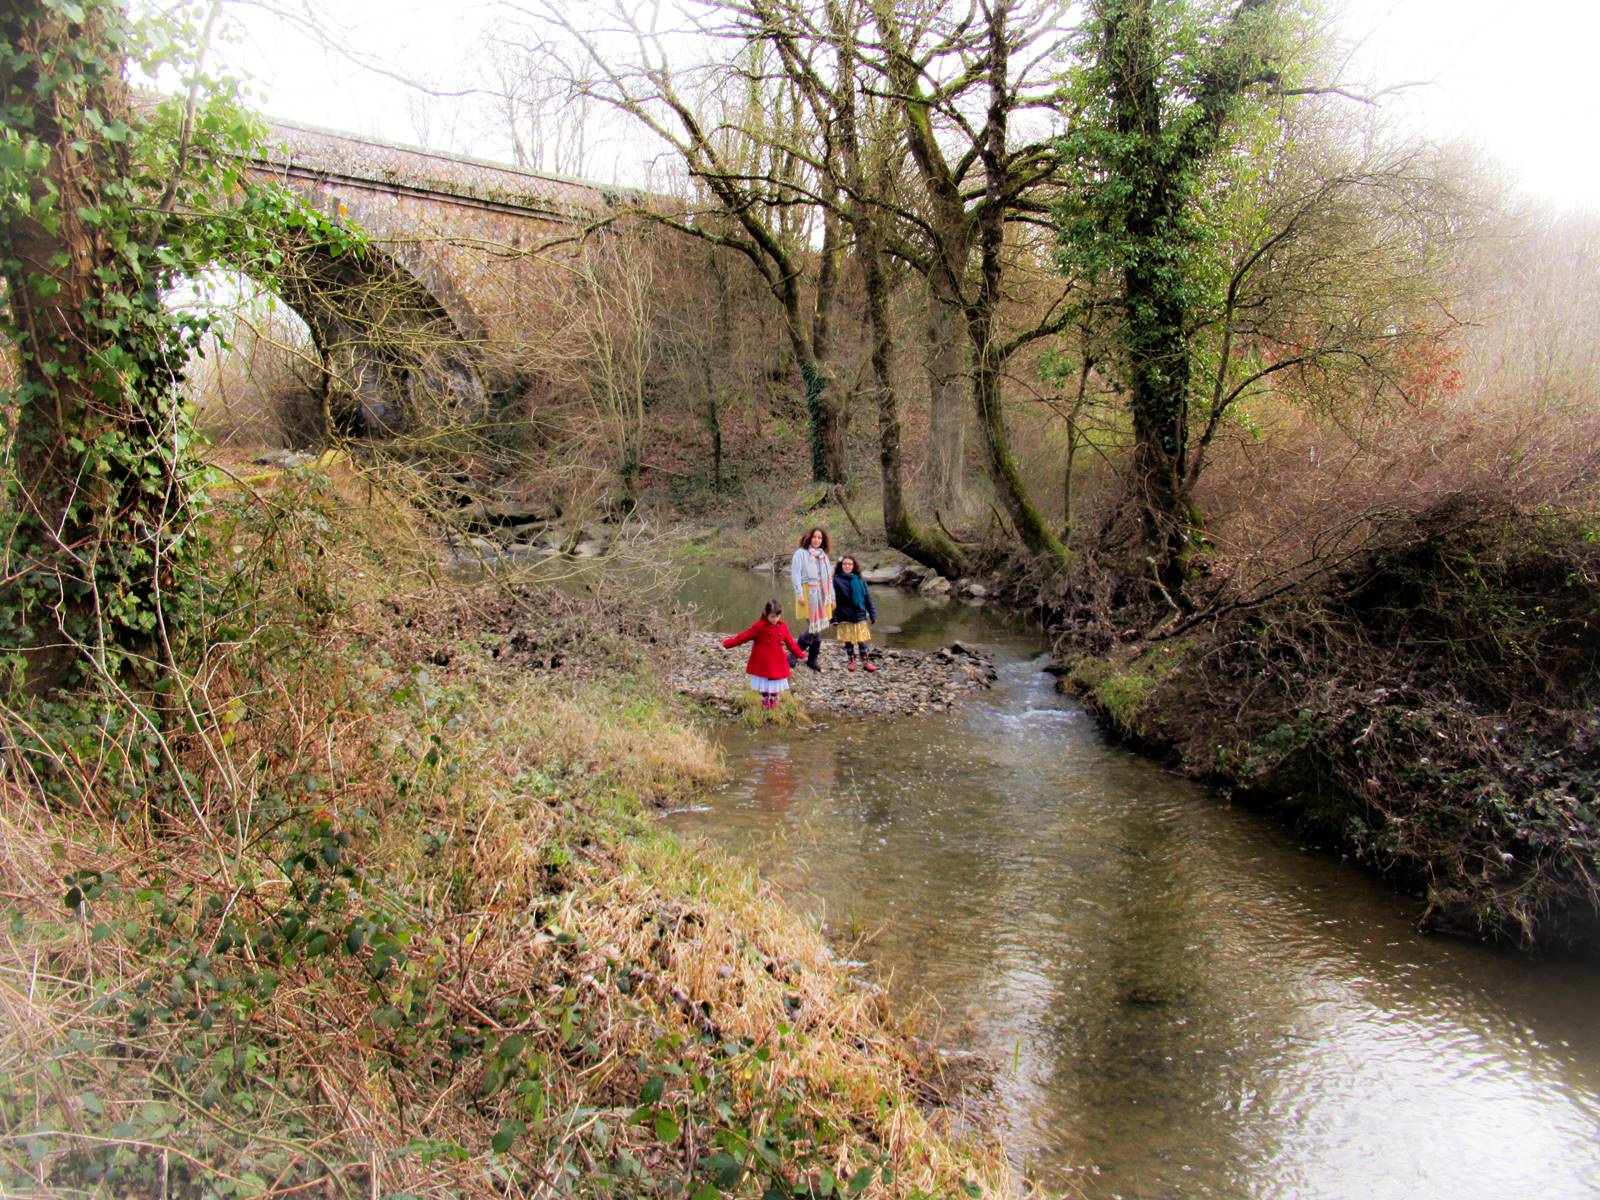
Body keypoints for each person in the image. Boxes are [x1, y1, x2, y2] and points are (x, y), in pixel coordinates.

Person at [721, 599, 807, 709]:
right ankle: (765, 701)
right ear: (766, 614)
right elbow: (743, 637)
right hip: (763, 660)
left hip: (777, 659)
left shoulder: (783, 627)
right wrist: (727, 644)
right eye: (772, 616)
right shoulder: (759, 626)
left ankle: (774, 701)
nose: (775, 619)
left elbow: (791, 643)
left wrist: (801, 655)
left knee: (775, 683)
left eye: (777, 616)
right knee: (764, 683)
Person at [788, 526, 834, 672]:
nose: (817, 540)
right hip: (808, 592)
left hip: (823, 595)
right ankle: (793, 654)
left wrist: (832, 597)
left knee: (817, 628)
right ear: (809, 537)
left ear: (823, 540)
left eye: (820, 538)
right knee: (814, 627)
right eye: (814, 537)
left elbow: (829, 580)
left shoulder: (824, 556)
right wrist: (799, 594)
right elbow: (795, 575)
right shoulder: (800, 553)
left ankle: (811, 659)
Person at [832, 555, 878, 672]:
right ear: (841, 566)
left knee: (861, 639)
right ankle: (851, 661)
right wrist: (833, 618)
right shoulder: (836, 580)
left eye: (850, 564)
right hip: (844, 614)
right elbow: (832, 600)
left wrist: (872, 614)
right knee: (848, 640)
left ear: (854, 566)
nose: (847, 566)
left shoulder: (860, 579)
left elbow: (867, 597)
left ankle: (866, 661)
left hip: (859, 613)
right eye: (845, 564)